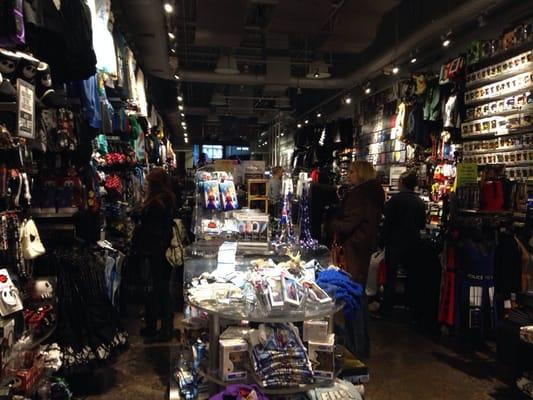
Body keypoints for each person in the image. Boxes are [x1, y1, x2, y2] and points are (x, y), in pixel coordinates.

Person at [329, 161, 385, 359]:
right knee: (358, 297)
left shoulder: (359, 195)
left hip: (353, 251)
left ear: (361, 174)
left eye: (352, 172)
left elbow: (347, 224)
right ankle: (360, 346)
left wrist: (331, 222)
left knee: (352, 299)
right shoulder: (374, 193)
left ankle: (355, 347)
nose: (348, 175)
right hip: (362, 249)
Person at [136, 168, 176, 341]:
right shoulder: (166, 200)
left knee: (158, 289)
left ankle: (162, 328)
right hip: (162, 251)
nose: (145, 186)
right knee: (161, 289)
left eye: (147, 183)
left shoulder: (156, 204)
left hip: (156, 251)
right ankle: (158, 326)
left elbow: (155, 230)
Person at [381, 171, 426, 318]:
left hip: (395, 243)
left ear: (401, 182)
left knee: (390, 277)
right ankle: (411, 309)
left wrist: (382, 240)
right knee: (412, 277)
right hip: (413, 243)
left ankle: (387, 309)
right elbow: (421, 224)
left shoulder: (395, 200)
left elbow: (387, 223)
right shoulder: (419, 202)